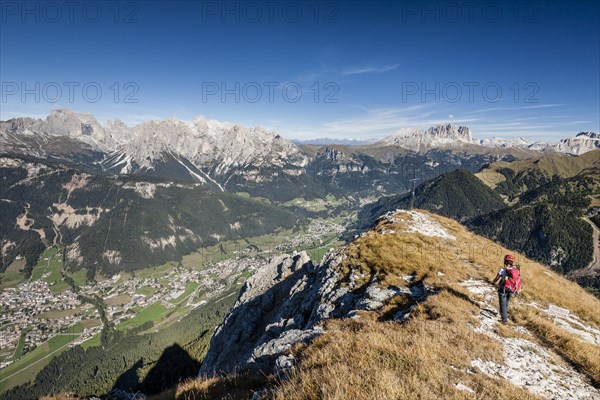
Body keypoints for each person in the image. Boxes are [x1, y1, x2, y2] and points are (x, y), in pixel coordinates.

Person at [492, 254, 521, 324]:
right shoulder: (516, 270)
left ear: (505, 261)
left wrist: (493, 282)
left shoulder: (502, 270)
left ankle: (504, 320)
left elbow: (497, 278)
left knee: (502, 304)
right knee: (506, 303)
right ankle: (503, 314)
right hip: (512, 289)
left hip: (503, 289)